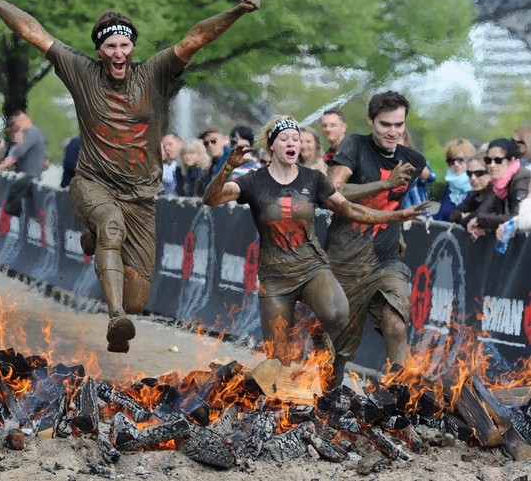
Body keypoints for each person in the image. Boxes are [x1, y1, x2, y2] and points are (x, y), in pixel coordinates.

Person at [0, 0, 260, 353]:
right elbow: (33, 31)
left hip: (141, 195)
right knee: (111, 231)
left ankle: (104, 259)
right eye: (110, 46)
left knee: (137, 296)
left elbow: (196, 38)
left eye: (124, 45)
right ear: (99, 50)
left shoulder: (154, 73)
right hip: (92, 183)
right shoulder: (80, 71)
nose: (118, 52)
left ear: (132, 47)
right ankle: (117, 318)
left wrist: (236, 11)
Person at [203, 116, 427, 390]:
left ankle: (317, 332)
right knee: (277, 361)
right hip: (275, 278)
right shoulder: (254, 181)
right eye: (285, 139)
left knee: (338, 314)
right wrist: (227, 167)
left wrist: (397, 216)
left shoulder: (313, 179)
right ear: (272, 146)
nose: (292, 144)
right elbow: (211, 199)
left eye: (296, 139)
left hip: (311, 267)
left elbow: (350, 209)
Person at [324, 91, 428, 375]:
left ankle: (400, 392)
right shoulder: (355, 145)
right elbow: (332, 190)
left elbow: (395, 202)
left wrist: (399, 232)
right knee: (339, 351)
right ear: (371, 121)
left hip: (385, 258)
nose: (393, 132)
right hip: (346, 260)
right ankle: (325, 401)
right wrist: (385, 184)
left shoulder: (414, 160)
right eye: (385, 124)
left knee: (395, 321)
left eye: (399, 124)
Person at [466, 139, 530, 238]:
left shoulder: (521, 177)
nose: (491, 165)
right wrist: (482, 225)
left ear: (511, 161)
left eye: (497, 160)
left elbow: (517, 217)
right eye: (488, 160)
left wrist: (480, 221)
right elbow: (481, 212)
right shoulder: (497, 181)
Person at [434, 138, 477, 222]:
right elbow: (441, 215)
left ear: (470, 160)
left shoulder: (477, 185)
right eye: (451, 161)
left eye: (460, 160)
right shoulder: (449, 185)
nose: (456, 164)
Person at [449, 154, 491, 229]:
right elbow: (453, 214)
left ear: (491, 172)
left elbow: (479, 216)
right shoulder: (474, 194)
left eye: (479, 173)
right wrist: (462, 217)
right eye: (469, 174)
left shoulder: (494, 193)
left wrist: (467, 217)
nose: (473, 178)